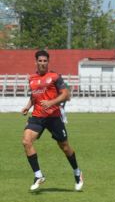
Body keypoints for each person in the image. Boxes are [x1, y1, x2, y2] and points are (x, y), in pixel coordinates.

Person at [21, 50, 83, 192]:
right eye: (40, 61)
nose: (42, 63)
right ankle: (38, 175)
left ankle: (77, 173)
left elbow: (66, 95)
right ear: (35, 62)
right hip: (37, 116)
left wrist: (51, 102)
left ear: (48, 62)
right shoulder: (31, 78)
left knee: (65, 147)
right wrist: (27, 107)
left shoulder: (55, 77)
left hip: (54, 117)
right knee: (26, 141)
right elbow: (34, 95)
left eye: (45, 61)